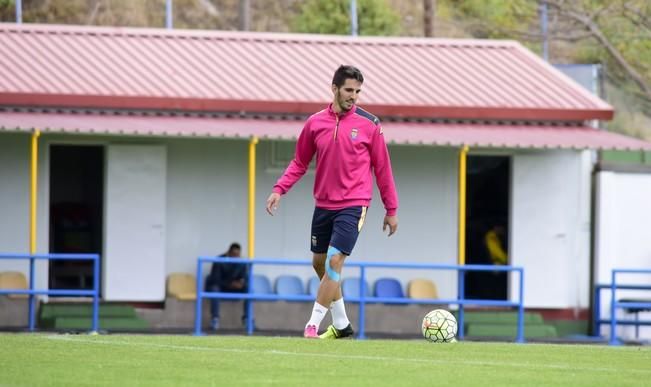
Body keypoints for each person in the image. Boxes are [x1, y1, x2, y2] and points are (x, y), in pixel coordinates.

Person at [266, 65, 399, 339]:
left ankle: (312, 325)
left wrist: (391, 208)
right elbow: (299, 162)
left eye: (358, 91)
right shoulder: (315, 123)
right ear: (334, 88)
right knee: (319, 263)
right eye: (349, 90)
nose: (354, 96)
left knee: (334, 260)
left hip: (354, 203)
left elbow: (383, 168)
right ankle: (341, 323)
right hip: (323, 204)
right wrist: (280, 189)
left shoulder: (370, 124)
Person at [204, 242, 248, 331]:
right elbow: (215, 279)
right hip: (221, 287)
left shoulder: (241, 262)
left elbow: (244, 277)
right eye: (234, 254)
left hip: (234, 288)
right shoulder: (219, 260)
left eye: (238, 255)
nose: (236, 257)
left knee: (249, 289)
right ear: (229, 252)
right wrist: (230, 284)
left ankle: (247, 319)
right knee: (214, 289)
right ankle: (215, 319)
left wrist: (241, 283)